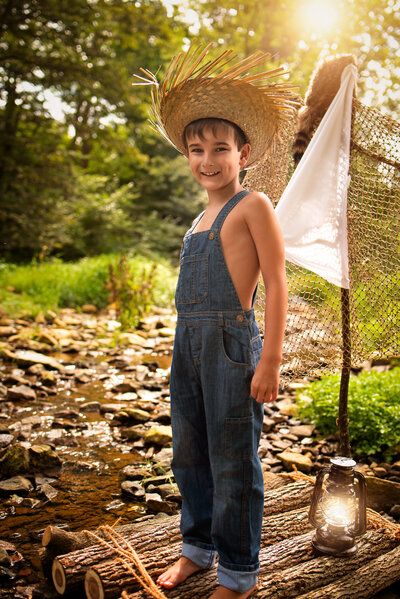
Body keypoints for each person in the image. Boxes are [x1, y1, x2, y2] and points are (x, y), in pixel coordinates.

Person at [136, 42, 298, 599]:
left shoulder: (254, 206)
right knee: (189, 450)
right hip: (189, 344)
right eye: (197, 149)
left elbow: (276, 283)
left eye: (221, 149)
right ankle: (196, 549)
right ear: (187, 155)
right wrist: (182, 350)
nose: (209, 160)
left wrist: (270, 359)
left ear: (244, 153)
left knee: (233, 456)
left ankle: (238, 572)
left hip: (233, 343)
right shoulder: (196, 218)